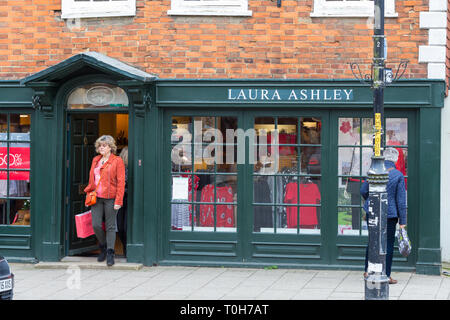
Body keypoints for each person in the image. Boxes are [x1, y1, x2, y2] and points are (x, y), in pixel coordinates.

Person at [361, 147, 407, 284]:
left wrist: (371, 201)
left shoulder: (373, 171)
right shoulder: (398, 175)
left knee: (372, 242)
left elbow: (363, 190)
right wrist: (403, 221)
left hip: (373, 212)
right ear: (396, 160)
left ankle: (367, 271)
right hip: (390, 215)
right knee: (387, 245)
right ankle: (385, 274)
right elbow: (401, 201)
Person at [84, 135, 125, 266]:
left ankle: (110, 253)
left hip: (111, 198)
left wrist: (118, 200)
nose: (101, 148)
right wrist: (89, 191)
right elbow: (92, 179)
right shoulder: (95, 160)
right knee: (95, 224)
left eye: (104, 145)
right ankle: (103, 245)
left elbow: (121, 182)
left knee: (110, 226)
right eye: (100, 145)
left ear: (110, 147)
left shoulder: (117, 161)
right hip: (96, 197)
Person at [117, 146, 128, 256]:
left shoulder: (133, 168)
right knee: (120, 226)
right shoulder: (118, 168)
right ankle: (125, 246)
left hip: (129, 199)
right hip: (119, 199)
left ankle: (127, 248)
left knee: (125, 226)